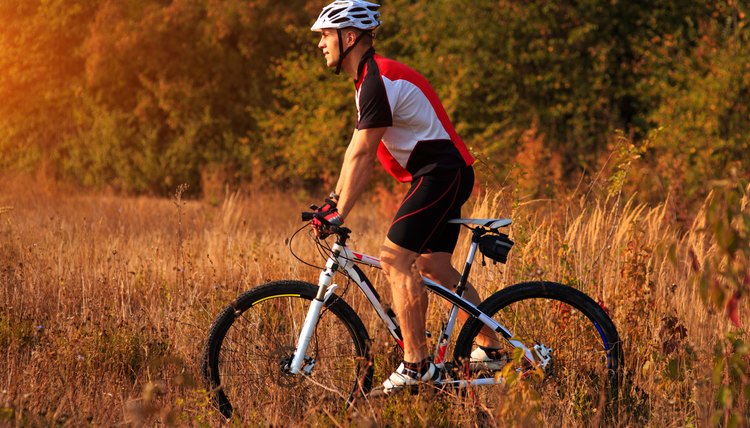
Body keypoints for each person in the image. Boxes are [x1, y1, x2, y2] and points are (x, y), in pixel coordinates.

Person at [310, 0, 502, 393]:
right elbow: (354, 152)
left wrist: (339, 213)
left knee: (396, 259)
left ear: (350, 37)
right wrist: (334, 201)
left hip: (440, 174)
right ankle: (492, 350)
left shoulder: (378, 80)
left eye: (326, 35)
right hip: (441, 174)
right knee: (434, 268)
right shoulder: (368, 80)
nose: (321, 44)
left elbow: (364, 155)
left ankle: (416, 363)